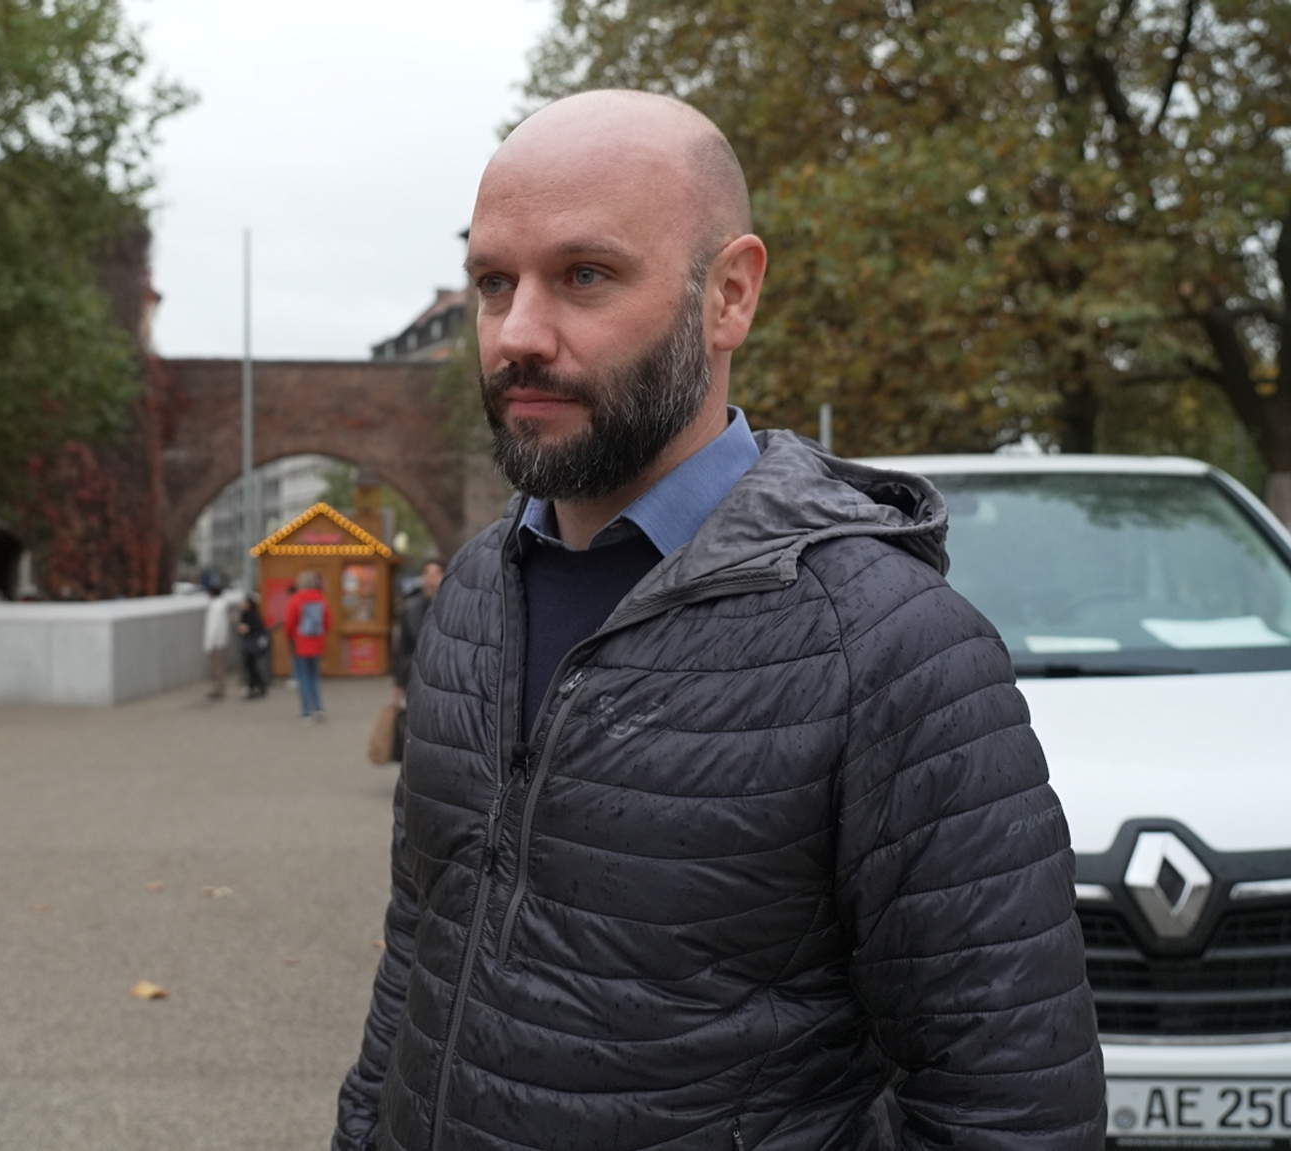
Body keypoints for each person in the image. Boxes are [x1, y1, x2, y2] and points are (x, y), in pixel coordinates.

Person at [332, 91, 1103, 1151]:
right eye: (492, 283)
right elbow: (420, 951)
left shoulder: (893, 649)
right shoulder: (470, 592)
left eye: (584, 276)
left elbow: (1010, 1106)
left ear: (728, 295)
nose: (515, 334)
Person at [390, 559, 445, 707]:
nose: (432, 577)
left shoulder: (452, 607)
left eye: (436, 573)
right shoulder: (410, 607)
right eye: (429, 573)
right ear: (423, 577)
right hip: (415, 671)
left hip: (443, 673)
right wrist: (398, 682)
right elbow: (402, 646)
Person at [283, 570, 329, 722]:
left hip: (300, 642)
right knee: (314, 676)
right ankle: (318, 708)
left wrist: (289, 637)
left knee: (303, 677)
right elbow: (328, 622)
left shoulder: (296, 599)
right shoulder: (322, 599)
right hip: (317, 642)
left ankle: (306, 712)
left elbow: (289, 622)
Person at [235, 591, 271, 699]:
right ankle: (259, 687)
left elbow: (257, 628)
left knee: (252, 667)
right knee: (251, 667)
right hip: (248, 644)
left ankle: (254, 688)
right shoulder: (244, 614)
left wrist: (246, 628)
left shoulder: (253, 615)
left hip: (252, 644)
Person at [201, 583, 230, 700]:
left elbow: (213, 627)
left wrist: (209, 643)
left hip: (215, 642)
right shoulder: (221, 606)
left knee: (216, 667)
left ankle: (218, 689)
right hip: (220, 641)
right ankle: (219, 688)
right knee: (218, 666)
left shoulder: (216, 607)